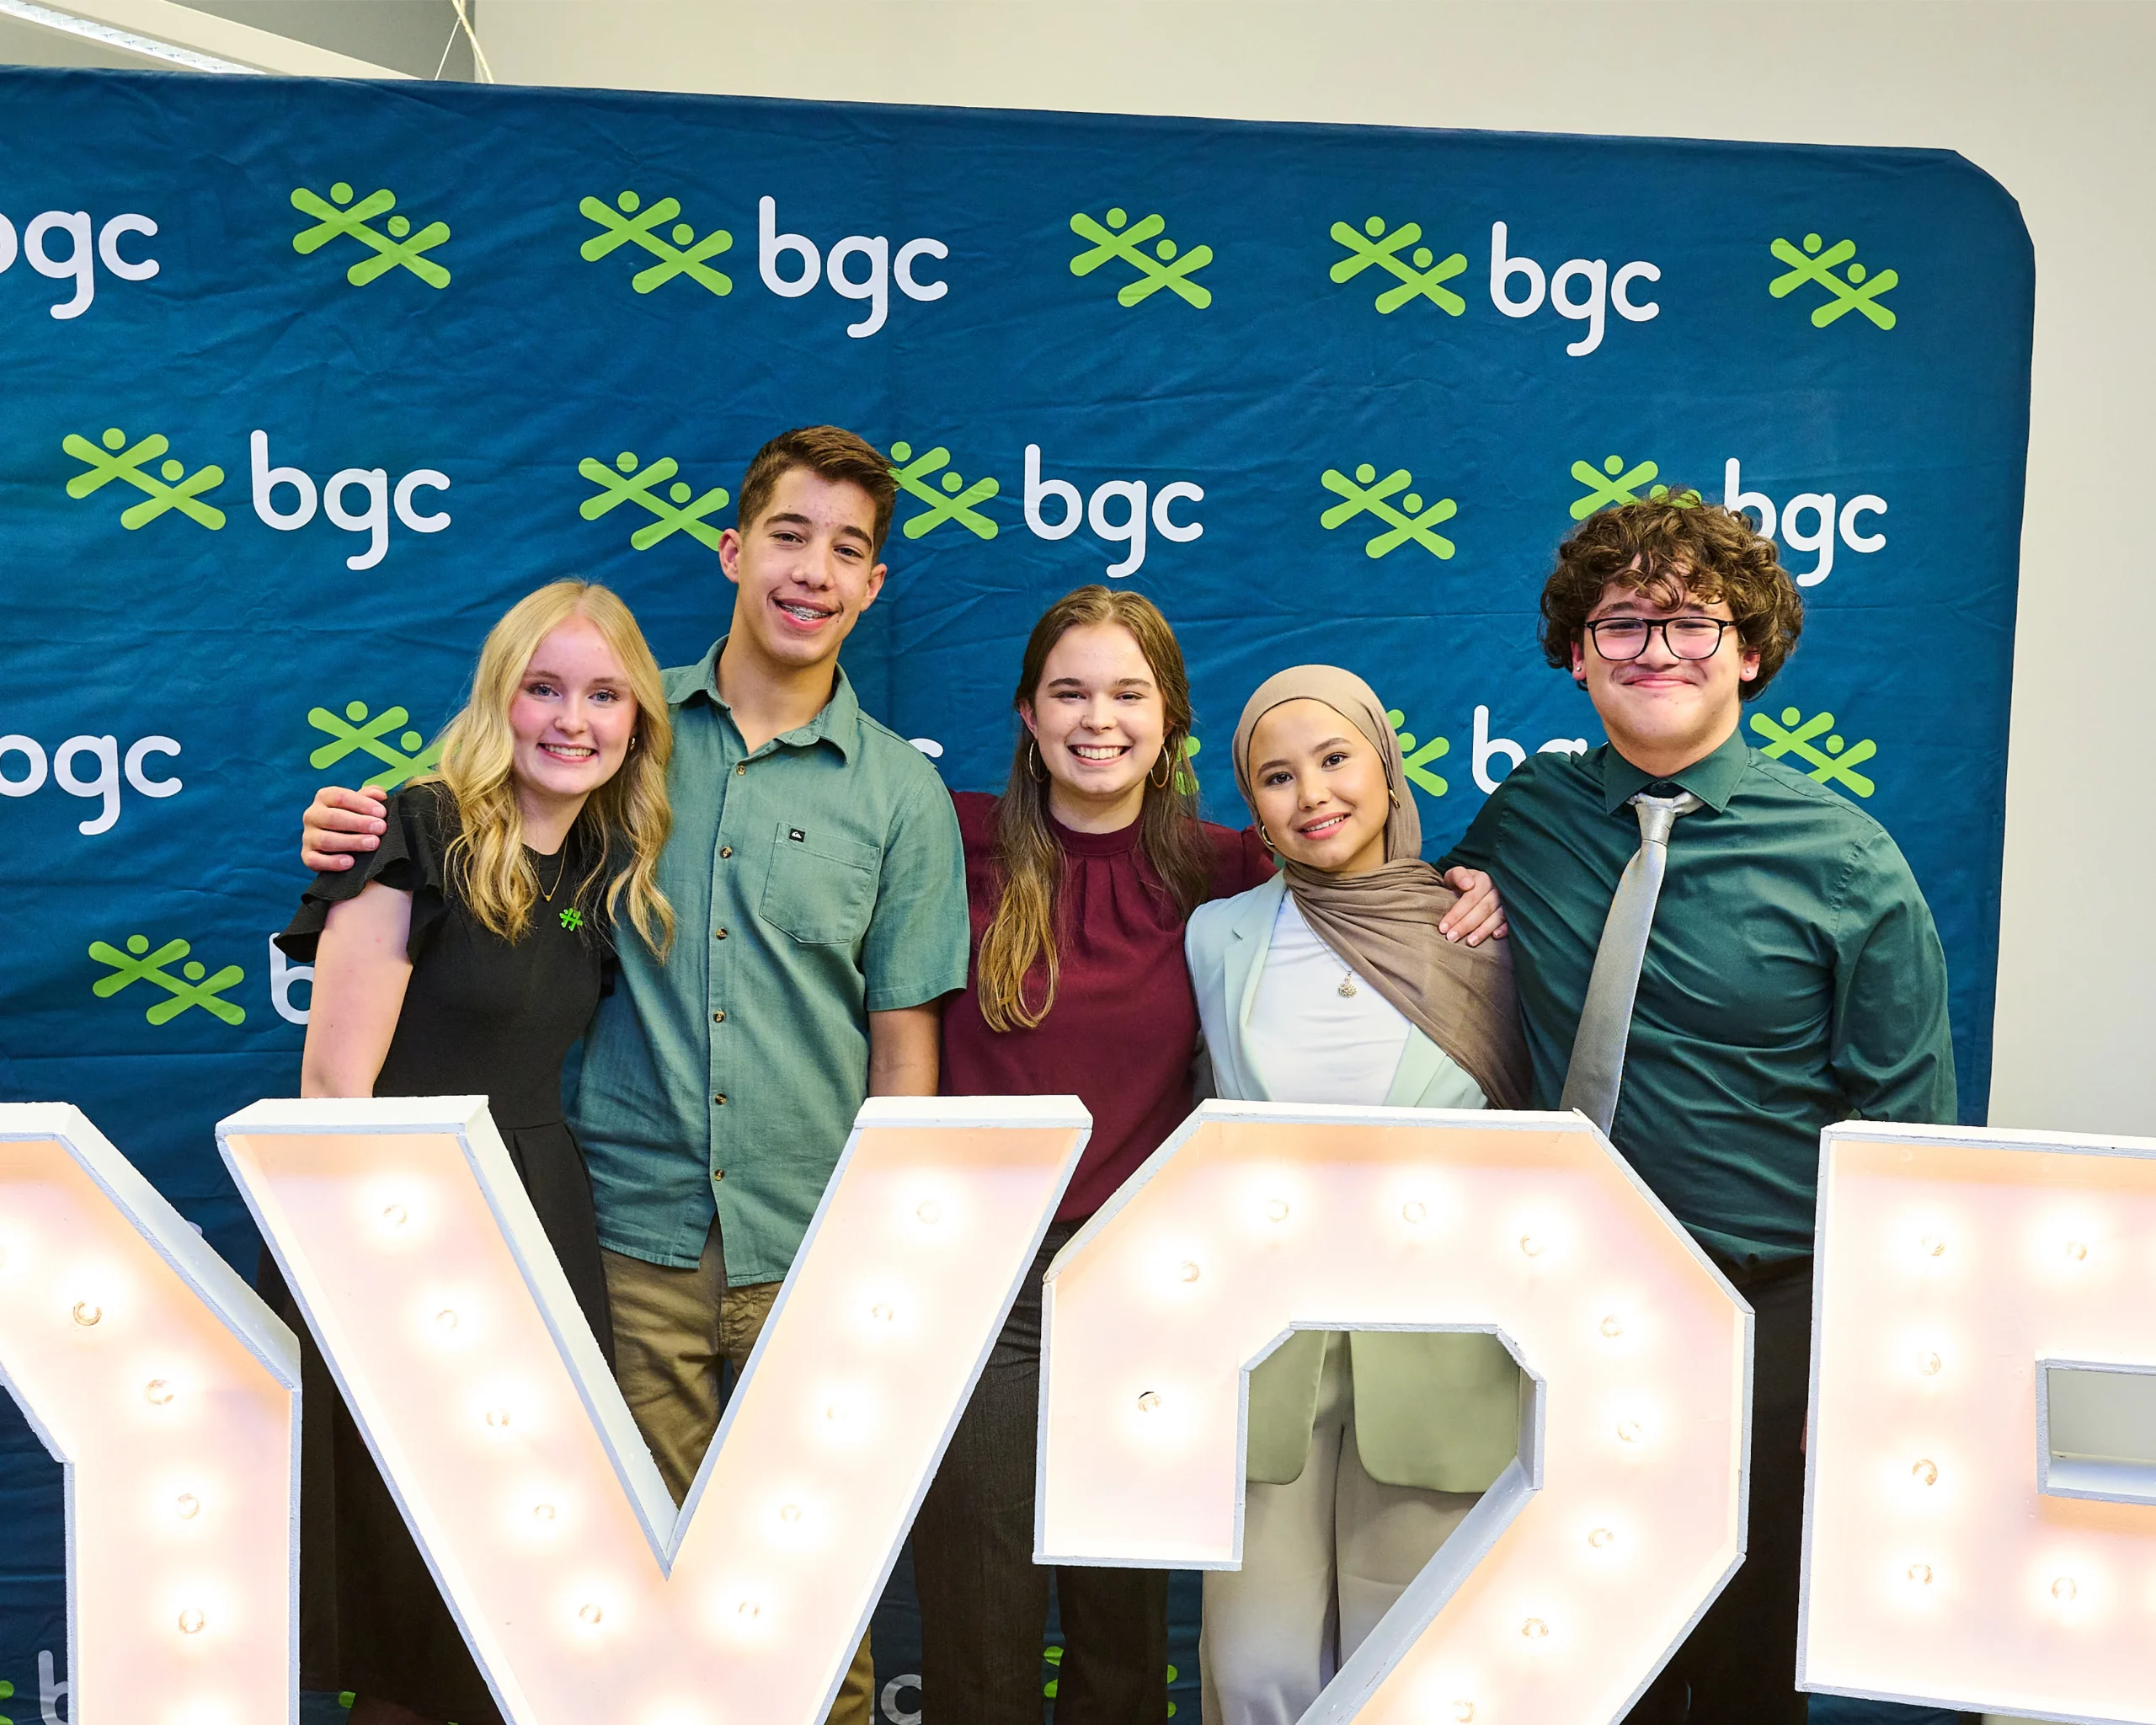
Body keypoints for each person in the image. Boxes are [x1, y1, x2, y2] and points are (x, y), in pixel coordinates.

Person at [298, 426, 971, 1725]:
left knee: (809, 1612)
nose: (813, 571)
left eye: (848, 551)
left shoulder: (901, 798)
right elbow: (473, 838)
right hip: (621, 1249)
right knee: (624, 1610)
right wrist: (358, 834)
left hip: (807, 1255)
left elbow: (903, 1052)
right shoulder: (623, 732)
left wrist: (889, 1254)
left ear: (874, 587)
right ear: (734, 549)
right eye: (788, 534)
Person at [1438, 496, 1956, 1723]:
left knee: (1737, 1669)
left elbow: (1907, 1147)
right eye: (1624, 624)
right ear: (1577, 654)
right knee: (1570, 1664)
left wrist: (1866, 1376)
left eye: (1689, 623)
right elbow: (1410, 920)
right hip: (1565, 1309)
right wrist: (1466, 886)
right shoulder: (1528, 818)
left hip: (1763, 1319)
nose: (1656, 651)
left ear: (1751, 651)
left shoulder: (1849, 862)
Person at [267, 579, 675, 1725]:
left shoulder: (599, 870)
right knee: (413, 1593)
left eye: (604, 694)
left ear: (637, 718)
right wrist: (380, 1280)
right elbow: (333, 1090)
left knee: (515, 1602)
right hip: (399, 1245)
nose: (572, 719)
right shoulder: (416, 831)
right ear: (499, 698)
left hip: (538, 1231)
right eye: (543, 688)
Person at [910, 586, 1275, 1722]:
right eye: (1069, 691)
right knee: (978, 1614)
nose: (1097, 719)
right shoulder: (949, 840)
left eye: (1128, 693)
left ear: (1170, 719)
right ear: (1026, 713)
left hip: (1145, 1279)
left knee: (1122, 1626)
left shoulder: (1233, 871)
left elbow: (1374, 906)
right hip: (982, 1276)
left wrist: (1473, 891)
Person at [1183, 664, 1532, 1725]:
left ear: (1383, 763)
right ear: (1253, 807)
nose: (1312, 793)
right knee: (1254, 1671)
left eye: (1334, 758)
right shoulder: (1219, 936)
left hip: (1440, 1356)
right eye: (1276, 776)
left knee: (1412, 1671)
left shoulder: (1487, 928)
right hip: (1266, 1356)